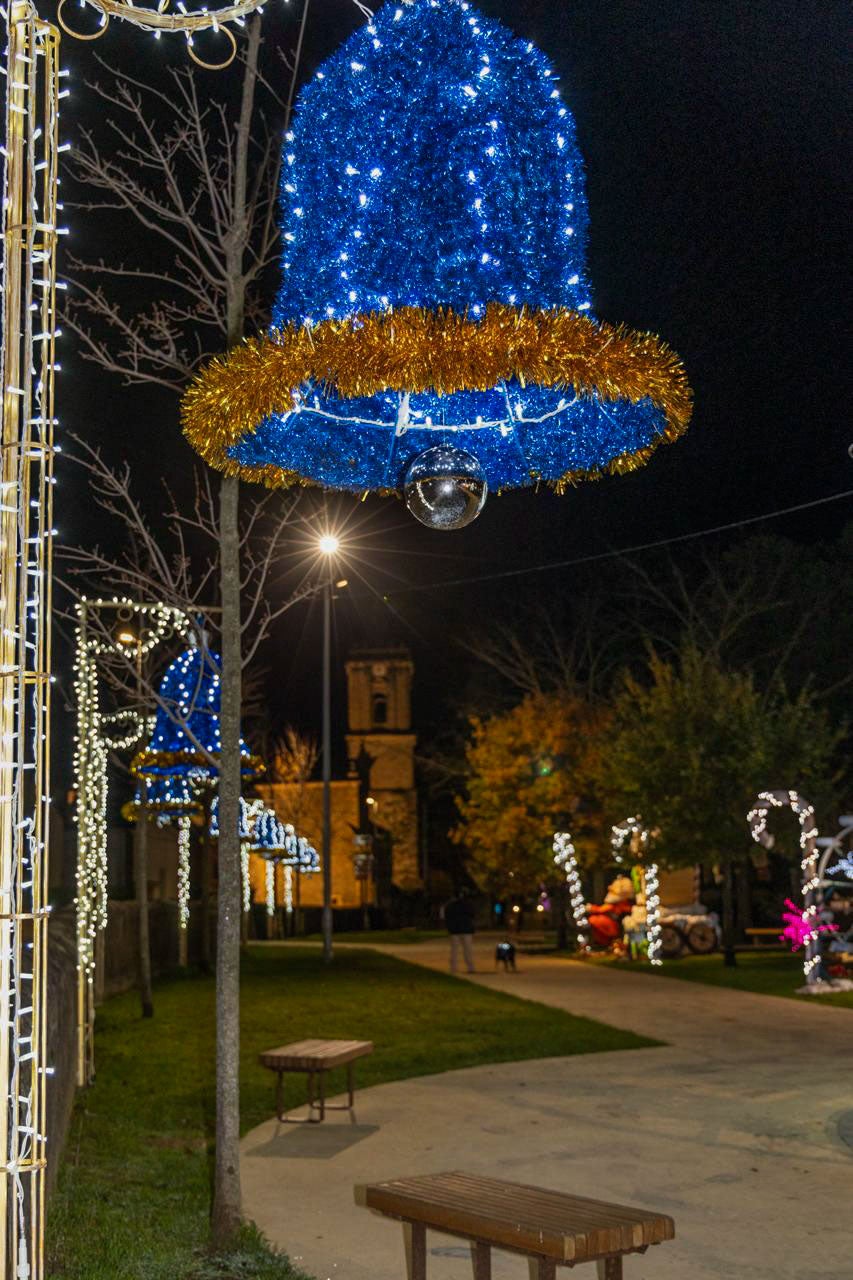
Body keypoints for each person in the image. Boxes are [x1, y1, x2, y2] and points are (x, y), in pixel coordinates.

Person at [443, 889, 476, 974]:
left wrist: (449, 927)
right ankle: (470, 967)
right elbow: (472, 915)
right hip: (466, 930)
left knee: (454, 950)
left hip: (455, 930)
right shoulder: (468, 904)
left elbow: (447, 917)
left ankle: (453, 968)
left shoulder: (450, 905)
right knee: (467, 949)